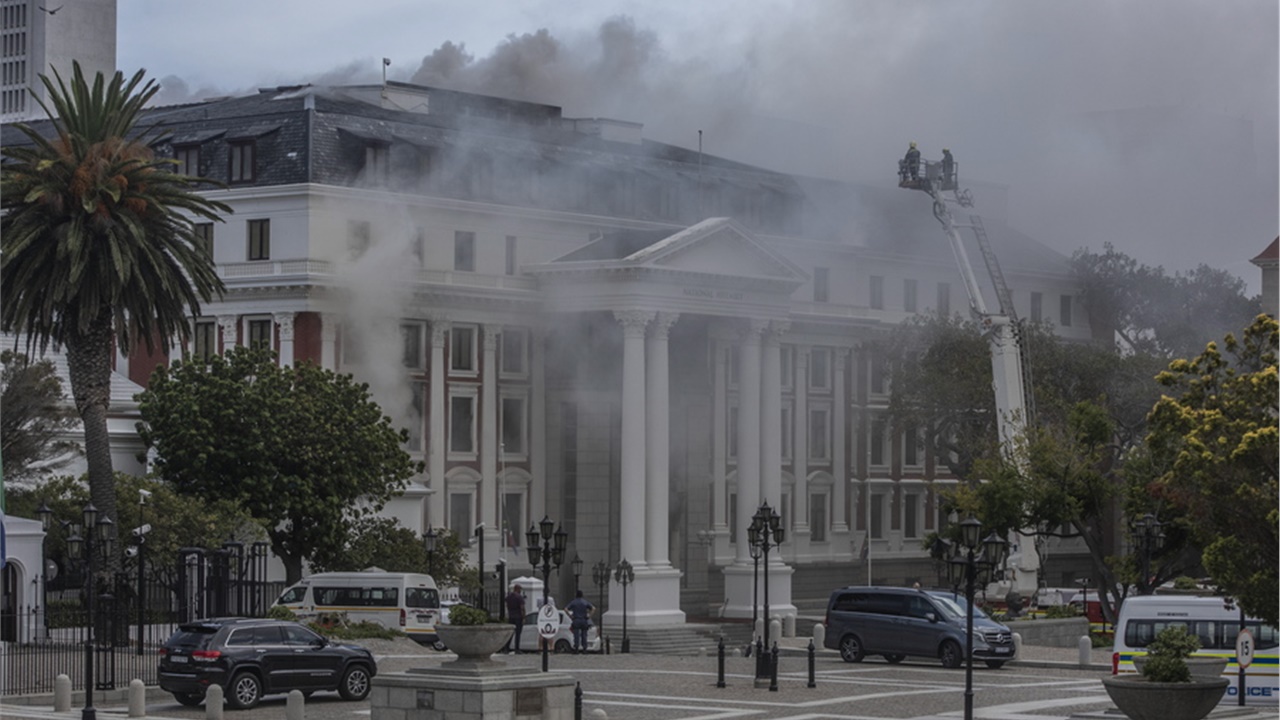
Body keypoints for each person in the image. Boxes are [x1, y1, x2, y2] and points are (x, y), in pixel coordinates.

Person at [565, 589, 594, 654]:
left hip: (576, 619)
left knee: (576, 635)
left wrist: (570, 616)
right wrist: (589, 616)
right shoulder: (585, 602)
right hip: (584, 620)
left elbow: (566, 609)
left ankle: (576, 648)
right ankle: (584, 649)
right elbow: (593, 608)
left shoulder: (574, 602)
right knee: (584, 635)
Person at [505, 584, 526, 653]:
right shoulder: (519, 597)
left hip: (511, 616)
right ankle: (517, 649)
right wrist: (523, 617)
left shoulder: (509, 597)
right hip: (518, 617)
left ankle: (506, 648)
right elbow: (522, 608)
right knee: (518, 634)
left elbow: (507, 605)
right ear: (518, 589)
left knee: (510, 633)